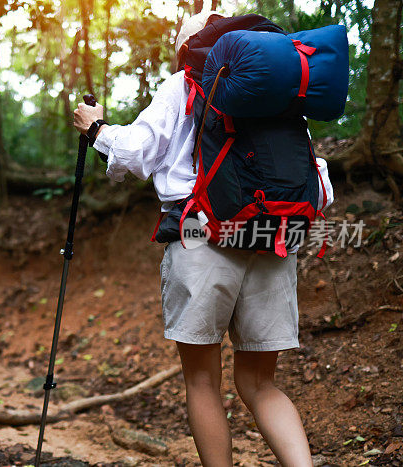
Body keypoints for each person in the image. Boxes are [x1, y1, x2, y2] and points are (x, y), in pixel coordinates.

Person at [73, 11, 334, 467]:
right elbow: (319, 185)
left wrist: (96, 129)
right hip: (272, 240)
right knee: (260, 385)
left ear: (185, 51)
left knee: (202, 382)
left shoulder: (186, 83)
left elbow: (135, 153)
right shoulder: (279, 94)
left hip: (200, 238)